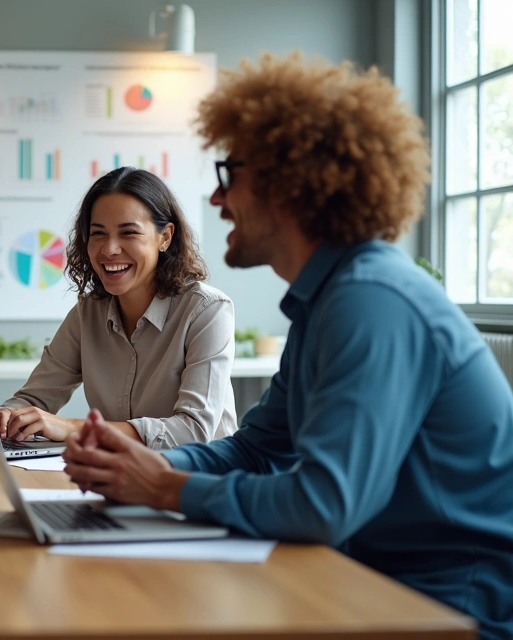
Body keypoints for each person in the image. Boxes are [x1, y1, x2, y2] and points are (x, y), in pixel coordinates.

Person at [62, 54, 513, 640]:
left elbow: (325, 504)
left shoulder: (371, 301)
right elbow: (254, 449)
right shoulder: (329, 302)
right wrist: (137, 467)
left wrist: (164, 486)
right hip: (375, 580)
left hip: (450, 606)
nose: (218, 201)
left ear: (290, 182)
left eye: (230, 176)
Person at [0, 167, 237, 449]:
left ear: (165, 237)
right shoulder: (88, 314)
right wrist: (5, 417)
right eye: (98, 234)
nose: (109, 249)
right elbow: (34, 399)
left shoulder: (207, 311)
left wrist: (73, 427)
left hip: (200, 482)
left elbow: (193, 431)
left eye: (128, 233)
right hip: (121, 477)